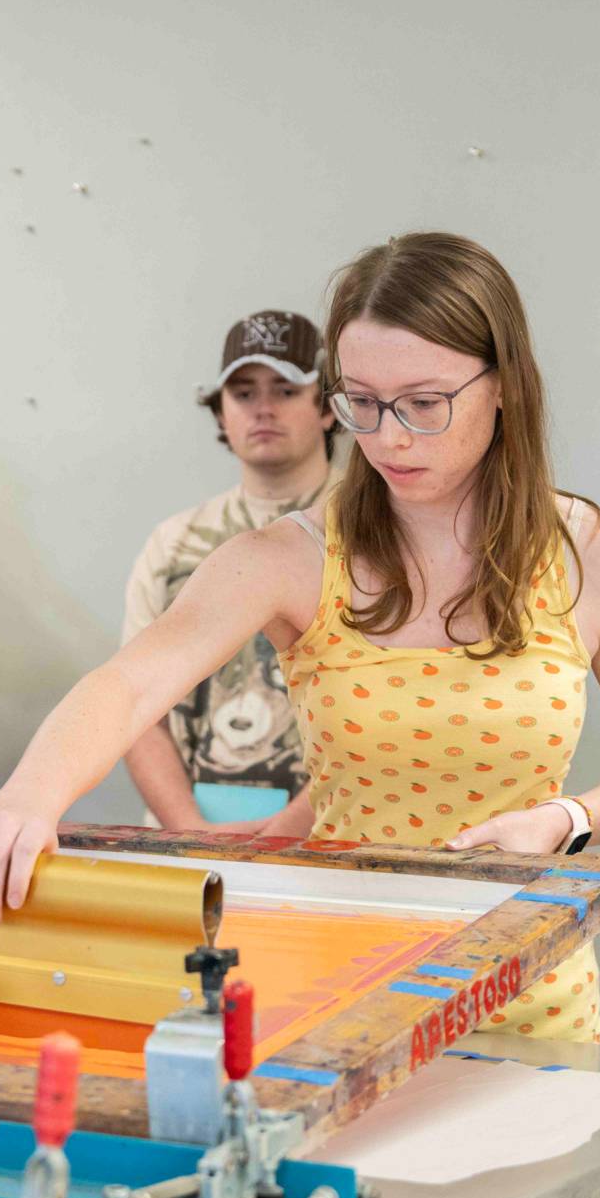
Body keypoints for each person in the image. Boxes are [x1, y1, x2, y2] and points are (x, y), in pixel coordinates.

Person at [0, 231, 600, 1049]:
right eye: (361, 402)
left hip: (529, 997)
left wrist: (564, 819)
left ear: (505, 384)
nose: (390, 437)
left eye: (424, 402)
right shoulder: (290, 558)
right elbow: (128, 685)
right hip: (336, 991)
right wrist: (26, 800)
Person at [121, 311, 336, 834]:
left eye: (285, 390)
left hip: (333, 840)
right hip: (187, 845)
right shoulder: (173, 543)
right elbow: (136, 705)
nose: (263, 408)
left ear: (329, 407)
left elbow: (390, 708)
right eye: (242, 393)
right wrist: (191, 832)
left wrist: (291, 827)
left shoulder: (376, 536)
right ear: (219, 412)